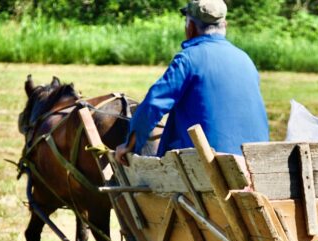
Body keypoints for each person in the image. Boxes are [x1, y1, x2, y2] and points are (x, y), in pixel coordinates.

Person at [115, 0, 269, 165]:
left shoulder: (188, 59)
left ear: (191, 27)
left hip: (209, 164)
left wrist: (130, 144)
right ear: (225, 25)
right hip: (255, 161)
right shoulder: (245, 59)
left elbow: (153, 104)